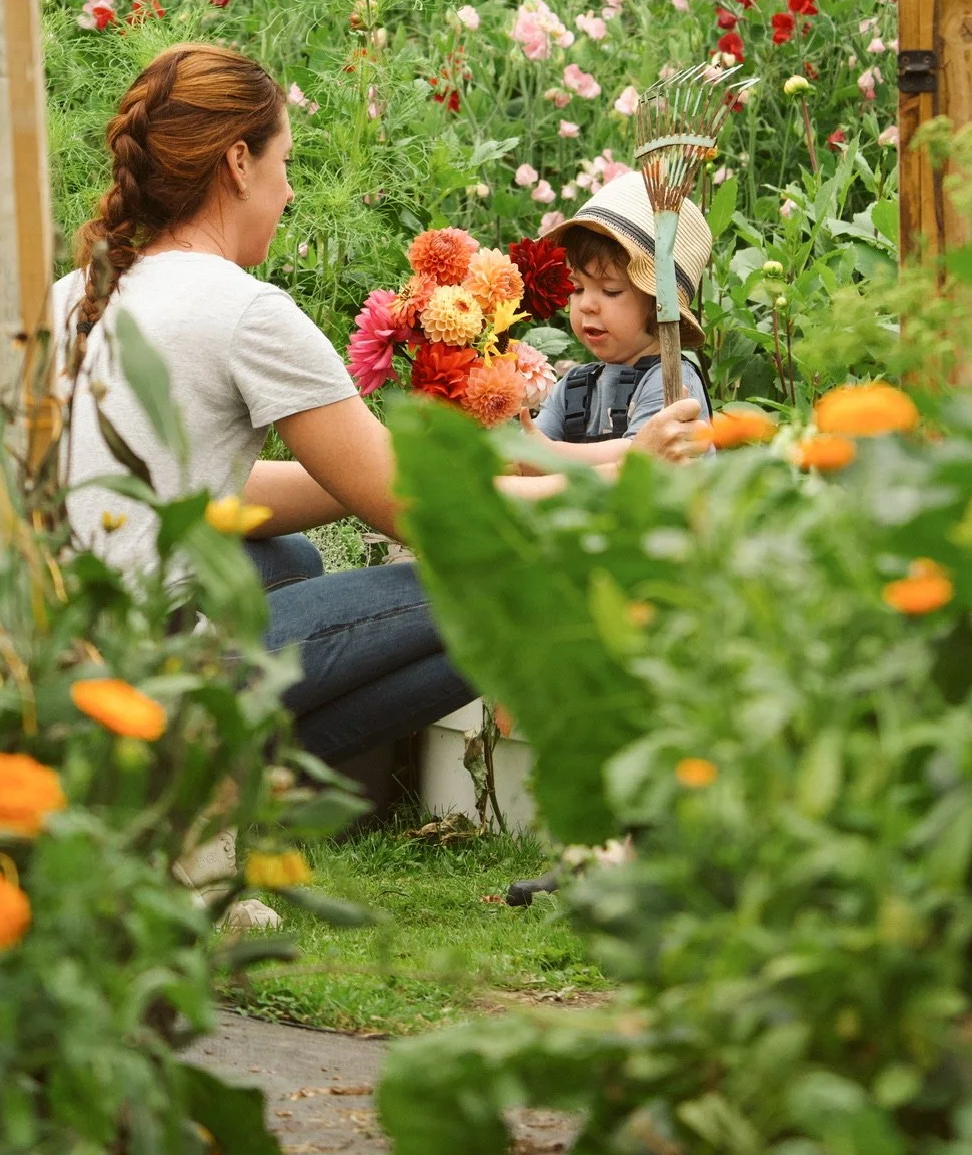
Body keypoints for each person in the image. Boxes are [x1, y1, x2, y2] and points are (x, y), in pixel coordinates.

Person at [51, 43, 706, 764]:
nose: (290, 192)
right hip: (148, 668)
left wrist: (360, 470)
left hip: (61, 647)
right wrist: (627, 475)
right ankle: (234, 775)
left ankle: (228, 766)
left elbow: (217, 490)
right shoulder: (241, 310)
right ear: (239, 163)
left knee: (286, 560)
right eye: (286, 164)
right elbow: (426, 516)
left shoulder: (80, 291)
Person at [530, 172, 713, 469]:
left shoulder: (670, 380)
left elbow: (644, 455)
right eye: (577, 288)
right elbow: (529, 450)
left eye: (610, 290)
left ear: (659, 304)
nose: (586, 305)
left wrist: (547, 454)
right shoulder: (573, 386)